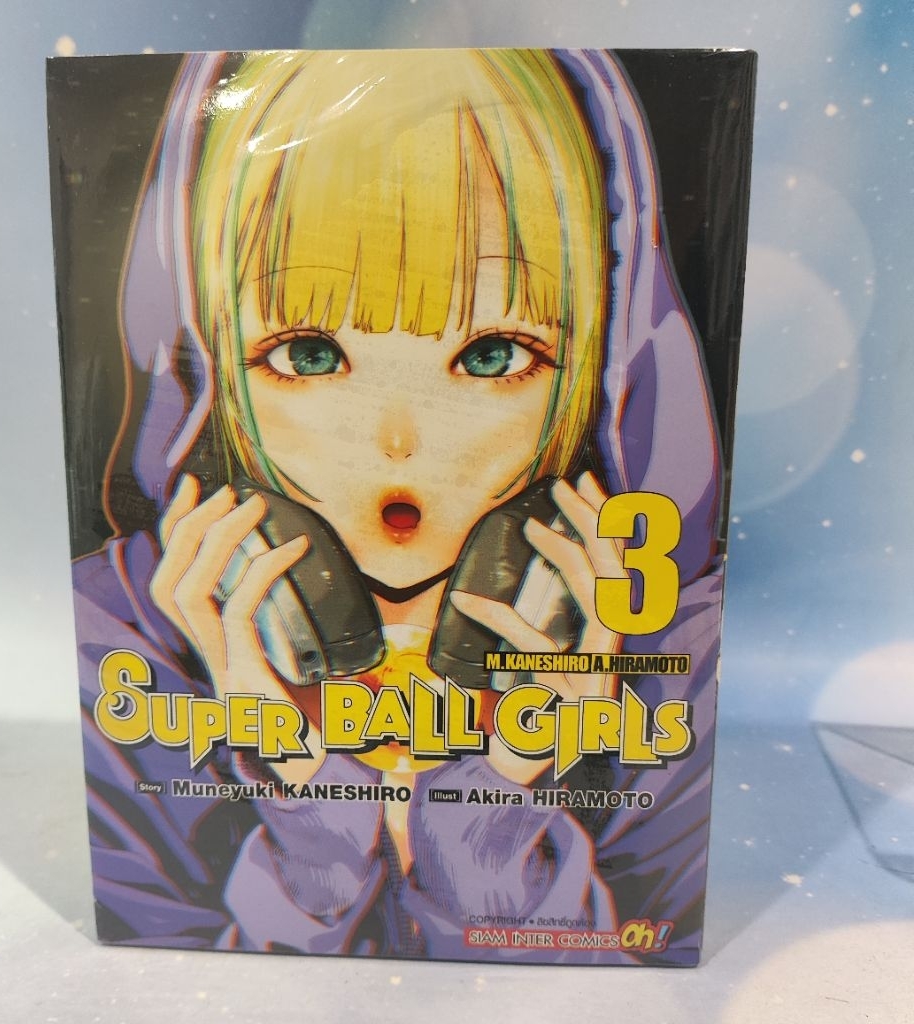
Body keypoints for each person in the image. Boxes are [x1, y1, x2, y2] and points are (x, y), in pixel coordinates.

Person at [73, 49, 724, 963]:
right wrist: (309, 817)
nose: (398, 447)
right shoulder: (113, 646)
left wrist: (489, 838)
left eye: (493, 356)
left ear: (599, 374)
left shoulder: (682, 663)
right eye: (307, 354)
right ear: (206, 365)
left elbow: (640, 983)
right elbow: (170, 993)